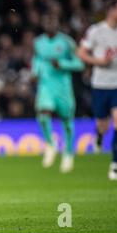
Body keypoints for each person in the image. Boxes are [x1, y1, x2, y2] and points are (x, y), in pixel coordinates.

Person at [78, 0, 117, 181]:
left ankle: (115, 166)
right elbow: (81, 53)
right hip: (101, 85)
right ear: (112, 11)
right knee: (103, 125)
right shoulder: (96, 31)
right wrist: (99, 62)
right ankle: (98, 136)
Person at [32, 14, 84, 173]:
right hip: (46, 85)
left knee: (67, 121)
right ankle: (50, 143)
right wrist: (34, 71)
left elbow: (79, 64)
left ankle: (68, 154)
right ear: (43, 23)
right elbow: (37, 59)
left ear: (58, 23)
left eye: (52, 21)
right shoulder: (38, 42)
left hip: (62, 87)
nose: (49, 24)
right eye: (47, 21)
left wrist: (61, 63)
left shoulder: (67, 42)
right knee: (42, 112)